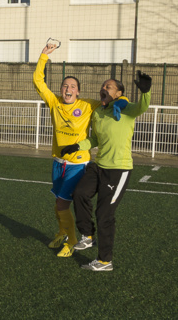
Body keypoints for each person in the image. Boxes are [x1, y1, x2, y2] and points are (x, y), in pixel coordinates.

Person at [61, 71, 151, 271]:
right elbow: (95, 140)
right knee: (80, 193)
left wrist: (146, 92)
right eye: (102, 86)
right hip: (98, 165)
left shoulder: (126, 109)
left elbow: (143, 107)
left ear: (118, 93)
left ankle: (104, 261)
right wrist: (77, 146)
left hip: (118, 169)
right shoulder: (99, 113)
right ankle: (88, 235)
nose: (103, 88)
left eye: (108, 87)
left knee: (104, 215)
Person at [33, 44, 107, 257]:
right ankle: (62, 232)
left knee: (63, 203)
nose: (68, 89)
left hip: (78, 164)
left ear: (78, 91)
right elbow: (38, 82)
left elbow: (108, 103)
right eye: (65, 85)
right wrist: (44, 56)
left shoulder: (87, 105)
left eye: (72, 86)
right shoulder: (54, 103)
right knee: (58, 202)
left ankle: (72, 240)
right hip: (58, 162)